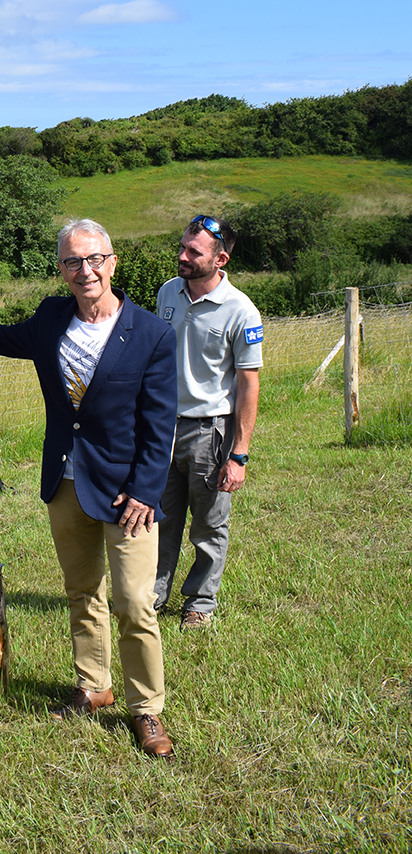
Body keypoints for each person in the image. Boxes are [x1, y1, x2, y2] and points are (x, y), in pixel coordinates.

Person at [0, 218, 178, 758]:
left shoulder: (151, 333)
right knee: (82, 592)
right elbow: (0, 338)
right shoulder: (53, 317)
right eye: (74, 262)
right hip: (66, 482)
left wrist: (147, 491)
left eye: (95, 259)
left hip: (129, 494)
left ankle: (146, 709)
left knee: (133, 602)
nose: (86, 271)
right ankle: (93, 686)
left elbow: (161, 421)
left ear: (113, 262)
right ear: (61, 270)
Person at [153, 215, 263, 630]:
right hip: (161, 428)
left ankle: (200, 602)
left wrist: (239, 454)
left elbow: (249, 385)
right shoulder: (168, 292)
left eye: (192, 252)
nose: (181, 256)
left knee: (209, 523)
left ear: (221, 260)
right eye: (181, 247)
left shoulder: (241, 310)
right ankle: (153, 594)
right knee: (157, 517)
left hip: (209, 431)